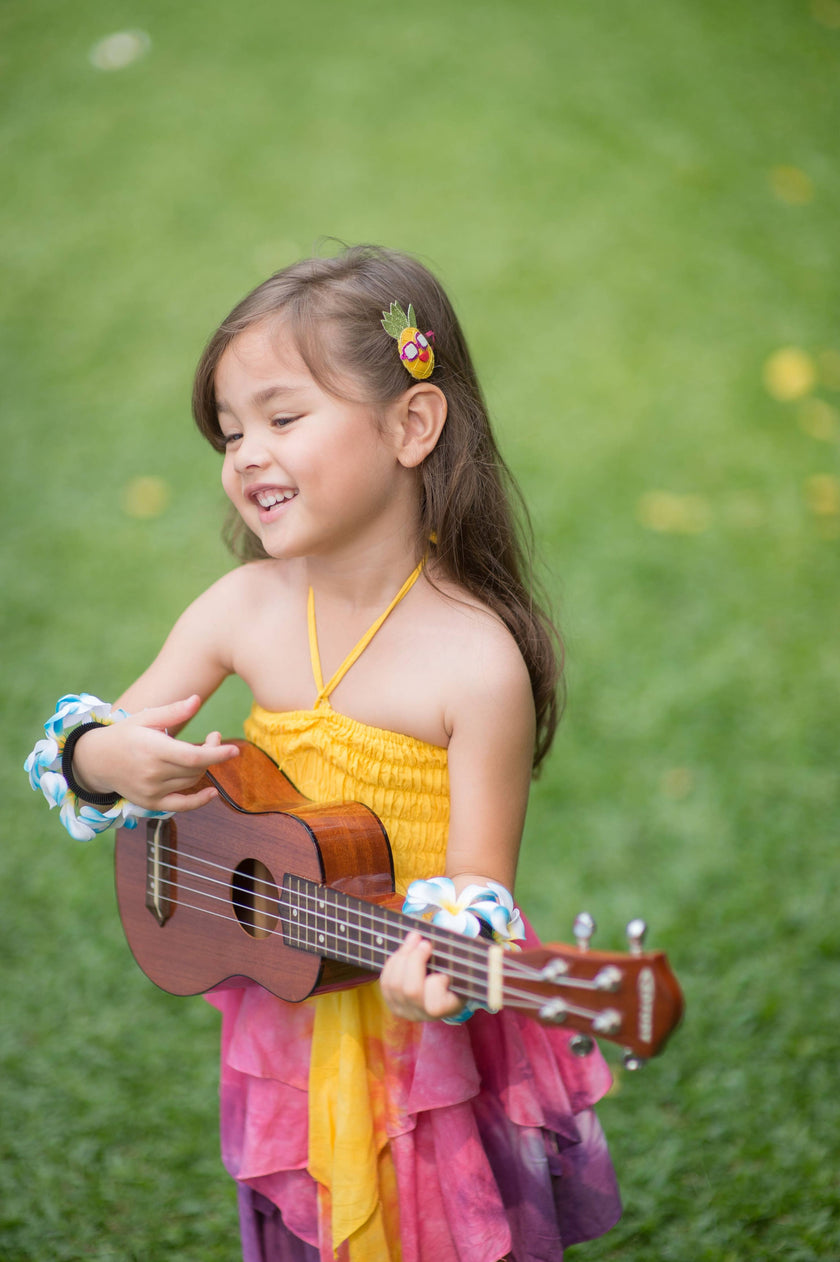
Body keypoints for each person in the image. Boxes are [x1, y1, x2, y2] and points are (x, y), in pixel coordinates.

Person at [25, 246, 621, 1261]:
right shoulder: (244, 605)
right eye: (229, 431)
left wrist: (442, 972)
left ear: (411, 424)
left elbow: (480, 893)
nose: (246, 452)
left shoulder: (475, 663)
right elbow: (74, 747)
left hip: (418, 1049)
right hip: (287, 1012)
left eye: (283, 417)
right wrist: (112, 759)